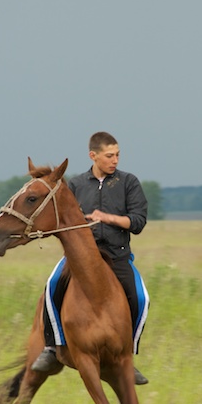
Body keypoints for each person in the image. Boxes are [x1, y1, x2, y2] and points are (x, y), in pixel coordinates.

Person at [31, 131, 151, 385]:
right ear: (93, 156)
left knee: (141, 297)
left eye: (117, 155)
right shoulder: (74, 185)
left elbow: (138, 222)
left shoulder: (129, 183)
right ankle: (52, 348)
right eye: (109, 155)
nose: (115, 160)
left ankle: (129, 354)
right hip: (80, 258)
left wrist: (107, 218)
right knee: (52, 286)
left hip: (118, 257)